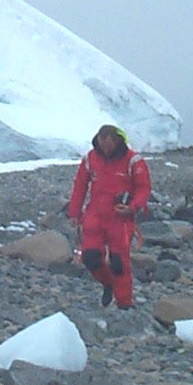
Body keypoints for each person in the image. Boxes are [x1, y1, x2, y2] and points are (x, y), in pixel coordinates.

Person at [65, 123, 152, 309]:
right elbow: (80, 185)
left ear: (117, 141)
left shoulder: (133, 161)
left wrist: (132, 207)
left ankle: (124, 304)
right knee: (90, 257)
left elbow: (143, 188)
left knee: (119, 262)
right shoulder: (90, 158)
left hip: (120, 219)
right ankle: (107, 283)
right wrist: (74, 212)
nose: (105, 147)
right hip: (95, 215)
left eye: (108, 143)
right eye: (101, 143)